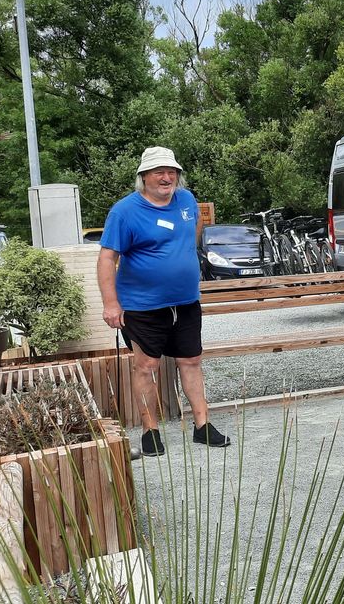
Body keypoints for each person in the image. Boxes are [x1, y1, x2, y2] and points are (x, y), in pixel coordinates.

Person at [97, 146, 231, 457]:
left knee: (192, 361)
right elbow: (107, 258)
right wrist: (111, 303)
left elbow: (193, 229)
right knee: (146, 366)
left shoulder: (186, 200)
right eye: (158, 171)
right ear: (143, 177)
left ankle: (202, 426)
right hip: (142, 306)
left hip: (185, 302)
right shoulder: (124, 212)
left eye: (171, 171)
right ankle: (150, 431)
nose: (166, 177)